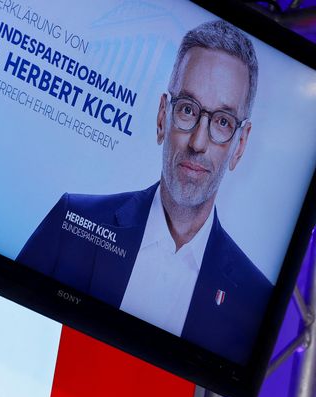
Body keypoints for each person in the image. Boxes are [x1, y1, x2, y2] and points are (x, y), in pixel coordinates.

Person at [17, 20, 271, 364]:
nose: (198, 141)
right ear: (162, 116)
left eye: (223, 122)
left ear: (240, 145)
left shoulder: (254, 300)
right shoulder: (72, 221)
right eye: (187, 110)